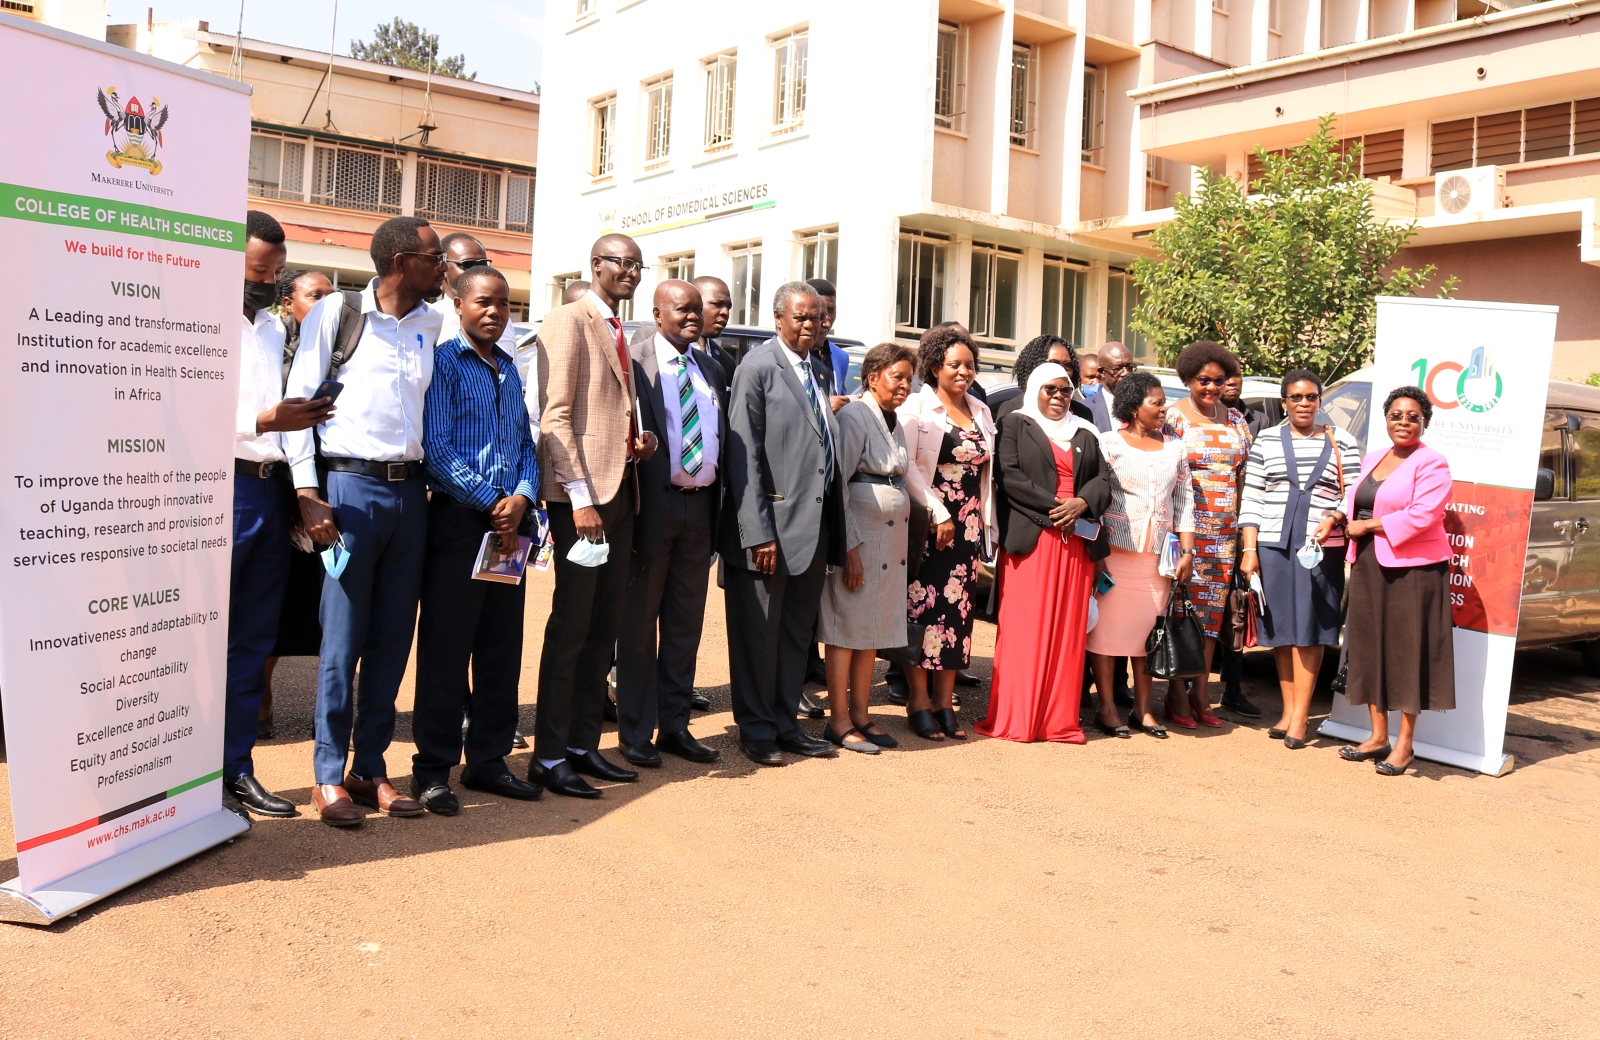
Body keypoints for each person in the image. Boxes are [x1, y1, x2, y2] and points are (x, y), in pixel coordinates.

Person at [285, 216, 446, 826]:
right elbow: (302, 404)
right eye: (436, 258)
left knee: (391, 640)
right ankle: (328, 774)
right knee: (343, 639)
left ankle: (370, 766)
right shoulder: (338, 314)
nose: (444, 268)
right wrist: (307, 492)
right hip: (349, 492)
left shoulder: (434, 322)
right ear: (403, 261)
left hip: (411, 498)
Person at [410, 266, 544, 814]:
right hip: (462, 524)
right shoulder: (442, 364)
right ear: (459, 305)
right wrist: (494, 501)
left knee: (499, 650)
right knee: (446, 649)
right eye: (484, 302)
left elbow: (525, 445)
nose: (495, 312)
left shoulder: (509, 370)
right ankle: (432, 771)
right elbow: (436, 449)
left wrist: (522, 497)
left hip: (509, 530)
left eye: (504, 304)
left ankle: (487, 762)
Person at [531, 233, 660, 798]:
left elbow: (602, 415)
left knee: (602, 631)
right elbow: (556, 420)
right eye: (620, 263)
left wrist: (636, 443)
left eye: (637, 265)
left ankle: (583, 745)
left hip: (620, 495)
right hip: (582, 504)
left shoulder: (617, 327)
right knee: (571, 629)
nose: (630, 272)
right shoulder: (568, 319)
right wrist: (580, 497)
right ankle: (549, 754)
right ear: (596, 266)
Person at [223, 212, 335, 818]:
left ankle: (235, 769)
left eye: (273, 271)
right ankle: (178, 775)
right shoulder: (192, 321)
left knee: (252, 638)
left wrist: (298, 488)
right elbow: (178, 412)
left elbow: (283, 418)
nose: (266, 281)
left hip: (268, 491)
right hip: (215, 491)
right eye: (256, 270)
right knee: (201, 637)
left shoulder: (270, 329)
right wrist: (265, 422)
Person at [720, 281, 845, 766]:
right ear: (779, 319)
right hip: (770, 532)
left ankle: (786, 723)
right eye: (802, 317)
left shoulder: (815, 369)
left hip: (812, 532)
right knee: (757, 637)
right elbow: (743, 456)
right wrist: (759, 533)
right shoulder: (757, 368)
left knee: (795, 635)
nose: (812, 325)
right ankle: (755, 729)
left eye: (817, 317)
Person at [614, 280, 726, 768]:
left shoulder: (712, 367)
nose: (692, 317)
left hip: (700, 510)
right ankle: (635, 732)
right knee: (639, 626)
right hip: (651, 509)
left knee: (685, 624)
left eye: (697, 310)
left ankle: (675, 726)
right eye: (681, 310)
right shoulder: (634, 363)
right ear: (657, 314)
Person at [979, 363, 1110, 743]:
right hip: (1034, 540)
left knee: (1067, 632)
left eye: (1065, 390)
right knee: (1025, 630)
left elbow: (1103, 480)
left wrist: (1082, 503)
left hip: (1076, 546)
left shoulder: (1085, 430)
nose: (1058, 397)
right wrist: (1059, 508)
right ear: (1035, 388)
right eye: (1050, 389)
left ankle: (1058, 721)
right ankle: (1017, 718)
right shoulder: (1015, 423)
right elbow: (1010, 477)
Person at [1332, 387, 1455, 776]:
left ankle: (1405, 744)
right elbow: (1355, 499)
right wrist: (1336, 518)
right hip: (1369, 564)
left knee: (1407, 652)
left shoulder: (1433, 463)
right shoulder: (1374, 457)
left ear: (1425, 423)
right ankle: (1377, 735)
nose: (1404, 422)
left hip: (1414, 570)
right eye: (1396, 415)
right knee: (1369, 647)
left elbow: (1424, 515)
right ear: (1386, 419)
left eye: (1413, 416)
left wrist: (1368, 525)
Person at [1238, 369, 1362, 749]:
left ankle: (1302, 717)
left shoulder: (1342, 441)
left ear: (1320, 401)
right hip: (1273, 545)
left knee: (1309, 629)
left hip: (1320, 548)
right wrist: (1249, 549)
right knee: (1280, 630)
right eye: (1296, 398)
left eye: (1310, 397)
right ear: (1284, 402)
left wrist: (1333, 518)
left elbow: (1353, 494)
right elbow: (1253, 496)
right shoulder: (1268, 440)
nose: (1304, 404)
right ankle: (1289, 711)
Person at [817, 343, 917, 754]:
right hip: (860, 539)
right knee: (846, 627)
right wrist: (850, 548)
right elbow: (837, 481)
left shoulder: (892, 419)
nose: (905, 385)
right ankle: (838, 719)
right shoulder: (857, 415)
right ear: (872, 377)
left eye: (910, 378)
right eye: (897, 376)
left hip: (888, 542)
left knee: (871, 629)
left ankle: (861, 713)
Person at [899, 324, 997, 740]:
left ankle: (944, 701)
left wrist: (983, 525)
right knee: (922, 609)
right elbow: (907, 467)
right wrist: (939, 513)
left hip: (968, 527)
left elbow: (986, 469)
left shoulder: (981, 410)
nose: (963, 372)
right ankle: (918, 700)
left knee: (957, 615)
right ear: (935, 366)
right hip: (930, 523)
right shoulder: (917, 409)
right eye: (954, 365)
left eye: (969, 365)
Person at [1089, 372, 1195, 739]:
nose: (1164, 408)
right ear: (1134, 407)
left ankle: (1142, 708)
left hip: (1157, 559)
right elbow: (1097, 501)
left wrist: (1188, 549)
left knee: (1150, 635)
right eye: (1157, 402)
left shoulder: (1175, 448)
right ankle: (1105, 706)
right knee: (1106, 634)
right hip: (1116, 552)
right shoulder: (1107, 444)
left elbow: (1184, 502)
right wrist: (1097, 552)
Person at [261, 268, 336, 741]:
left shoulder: (345, 348)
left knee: (332, 602)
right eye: (314, 296)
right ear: (288, 303)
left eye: (331, 295)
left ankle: (330, 710)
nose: (325, 304)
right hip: (282, 486)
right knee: (276, 602)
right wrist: (296, 495)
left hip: (334, 484)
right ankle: (261, 699)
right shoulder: (271, 348)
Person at [1162, 340, 1252, 729]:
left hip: (1226, 536)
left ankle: (1201, 691)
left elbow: (1244, 476)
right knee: (1182, 612)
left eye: (1219, 380)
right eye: (1203, 380)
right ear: (1188, 378)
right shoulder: (1173, 418)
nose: (1211, 387)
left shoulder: (1235, 420)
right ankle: (1175, 693)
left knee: (1212, 617)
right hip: (1187, 532)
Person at [995, 335, 1093, 428]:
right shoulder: (1012, 408)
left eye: (1067, 365)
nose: (1061, 370)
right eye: (1054, 363)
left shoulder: (1083, 413)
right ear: (1034, 365)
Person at [690, 275, 738, 394]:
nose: (725, 312)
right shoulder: (657, 347)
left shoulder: (727, 362)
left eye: (728, 307)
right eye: (718, 304)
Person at [1078, 341, 1135, 433]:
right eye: (1118, 368)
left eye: (1129, 367)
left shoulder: (1143, 405)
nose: (1126, 373)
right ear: (1101, 372)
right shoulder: (1083, 409)